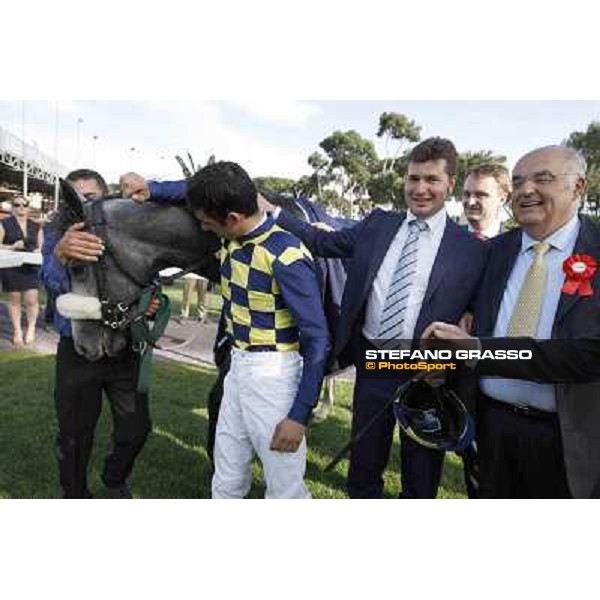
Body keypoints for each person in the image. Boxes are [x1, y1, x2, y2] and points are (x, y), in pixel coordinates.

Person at [261, 137, 489, 498]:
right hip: (374, 361)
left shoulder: (472, 249)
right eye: (413, 179)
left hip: (428, 375)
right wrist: (271, 211)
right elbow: (322, 244)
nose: (420, 189)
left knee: (421, 476)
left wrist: (453, 351)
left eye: (431, 180)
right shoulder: (378, 224)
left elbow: (480, 311)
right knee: (364, 466)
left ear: (450, 183)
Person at [126, 161, 330, 498]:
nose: (204, 229)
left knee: (285, 490)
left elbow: (318, 338)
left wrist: (299, 414)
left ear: (232, 219)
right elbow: (197, 189)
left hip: (274, 377)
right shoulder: (233, 234)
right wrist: (152, 187)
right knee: (226, 476)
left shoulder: (288, 254)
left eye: (207, 223)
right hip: (237, 369)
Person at [423, 145, 600, 498]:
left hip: (570, 441)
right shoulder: (491, 253)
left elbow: (590, 354)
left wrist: (480, 351)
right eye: (518, 182)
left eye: (542, 178)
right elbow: (469, 325)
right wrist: (443, 364)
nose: (525, 190)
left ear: (578, 187)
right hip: (491, 432)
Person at [41, 169, 153, 499]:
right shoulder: (57, 233)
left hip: (124, 347)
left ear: (105, 198)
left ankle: (114, 478)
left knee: (137, 429)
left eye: (89, 198)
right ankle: (74, 494)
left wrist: (148, 302)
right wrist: (61, 254)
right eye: (74, 199)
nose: (81, 206)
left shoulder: (128, 229)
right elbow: (51, 282)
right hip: (76, 349)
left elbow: (150, 277)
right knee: (74, 433)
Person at [0, 195, 43, 347]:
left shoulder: (35, 225)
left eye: (24, 205)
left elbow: (40, 246)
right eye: (17, 205)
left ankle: (31, 329)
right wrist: (12, 247)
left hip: (30, 265)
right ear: (12, 207)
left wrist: (39, 250)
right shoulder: (4, 223)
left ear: (29, 207)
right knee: (15, 300)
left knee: (32, 300)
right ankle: (17, 330)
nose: (21, 207)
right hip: (11, 265)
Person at [462, 164, 511, 239]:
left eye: (480, 195)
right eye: (467, 194)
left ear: (502, 200)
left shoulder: (518, 246)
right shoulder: (444, 240)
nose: (471, 202)